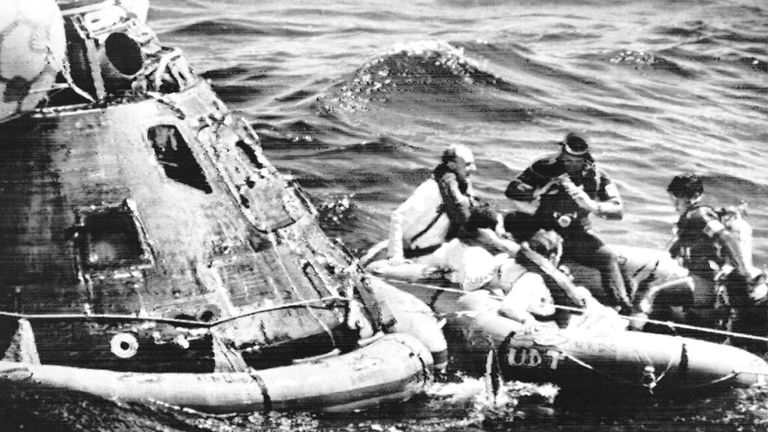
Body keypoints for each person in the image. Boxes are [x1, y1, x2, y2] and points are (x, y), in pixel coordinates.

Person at [503, 133, 634, 314]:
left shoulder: (597, 176)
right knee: (541, 252)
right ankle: (548, 306)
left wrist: (592, 205)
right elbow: (511, 191)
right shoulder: (544, 167)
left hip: (576, 232)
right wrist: (541, 190)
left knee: (608, 257)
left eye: (576, 161)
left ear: (585, 159)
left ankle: (622, 307)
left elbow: (617, 210)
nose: (570, 165)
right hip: (545, 228)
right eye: (567, 160)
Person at [666, 173, 765, 349]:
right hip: (738, 284)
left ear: (691, 198)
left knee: (743, 331)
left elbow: (725, 238)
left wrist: (740, 268)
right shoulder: (698, 215)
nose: (675, 205)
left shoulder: (698, 216)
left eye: (677, 200)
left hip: (741, 285)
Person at [387, 144, 477, 263]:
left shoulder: (463, 190)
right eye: (468, 164)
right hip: (419, 255)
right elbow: (398, 216)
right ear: (451, 165)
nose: (474, 168)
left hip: (439, 249)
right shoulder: (430, 190)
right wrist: (396, 256)